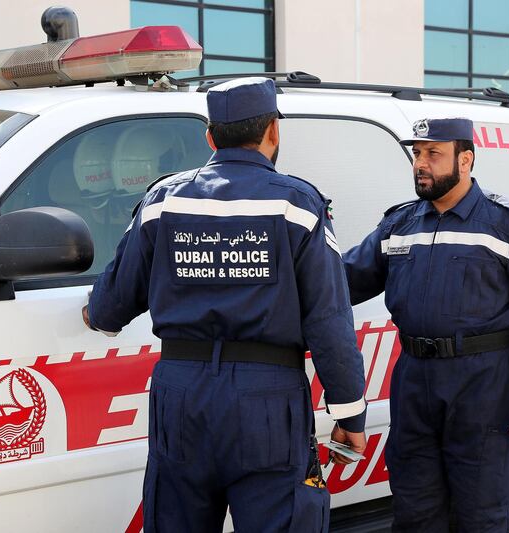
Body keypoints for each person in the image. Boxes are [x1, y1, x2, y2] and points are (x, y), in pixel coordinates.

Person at [82, 77, 367, 533]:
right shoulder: (299, 205)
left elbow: (108, 307)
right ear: (273, 131)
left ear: (210, 136)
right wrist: (349, 411)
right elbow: (329, 320)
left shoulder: (163, 201)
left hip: (181, 395)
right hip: (268, 400)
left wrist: (93, 312)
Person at [343, 117, 509, 532]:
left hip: (483, 387)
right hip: (414, 382)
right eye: (417, 154)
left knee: (479, 515)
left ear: (466, 160)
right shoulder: (399, 224)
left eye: (433, 154)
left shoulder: (508, 224)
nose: (420, 164)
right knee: (415, 511)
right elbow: (342, 281)